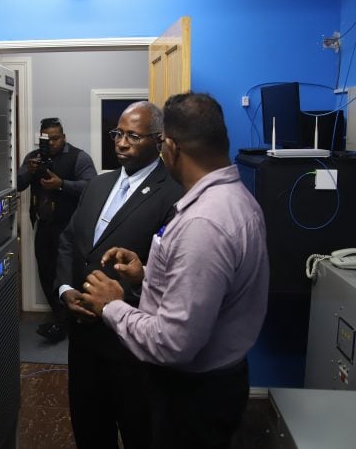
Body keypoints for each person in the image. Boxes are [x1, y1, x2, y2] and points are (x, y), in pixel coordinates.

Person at [81, 92, 270, 449]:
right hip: (216, 382)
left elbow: (172, 343)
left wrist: (112, 305)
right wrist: (147, 274)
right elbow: (205, 285)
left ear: (169, 147)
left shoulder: (204, 222)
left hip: (193, 396)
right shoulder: (235, 200)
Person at [55, 101, 184, 449]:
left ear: (158, 140)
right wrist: (67, 289)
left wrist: (120, 300)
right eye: (118, 134)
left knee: (138, 429)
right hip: (82, 334)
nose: (122, 143)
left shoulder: (174, 193)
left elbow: (171, 273)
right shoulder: (99, 184)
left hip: (130, 341)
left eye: (133, 136)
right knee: (89, 426)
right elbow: (70, 240)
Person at [17, 117, 97, 342]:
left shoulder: (79, 157)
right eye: (46, 139)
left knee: (68, 274)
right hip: (44, 225)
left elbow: (91, 187)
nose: (51, 143)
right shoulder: (33, 158)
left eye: (55, 138)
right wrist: (29, 172)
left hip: (70, 228)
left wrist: (62, 184)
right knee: (46, 273)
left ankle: (66, 322)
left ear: (63, 137)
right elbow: (17, 184)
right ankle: (60, 319)